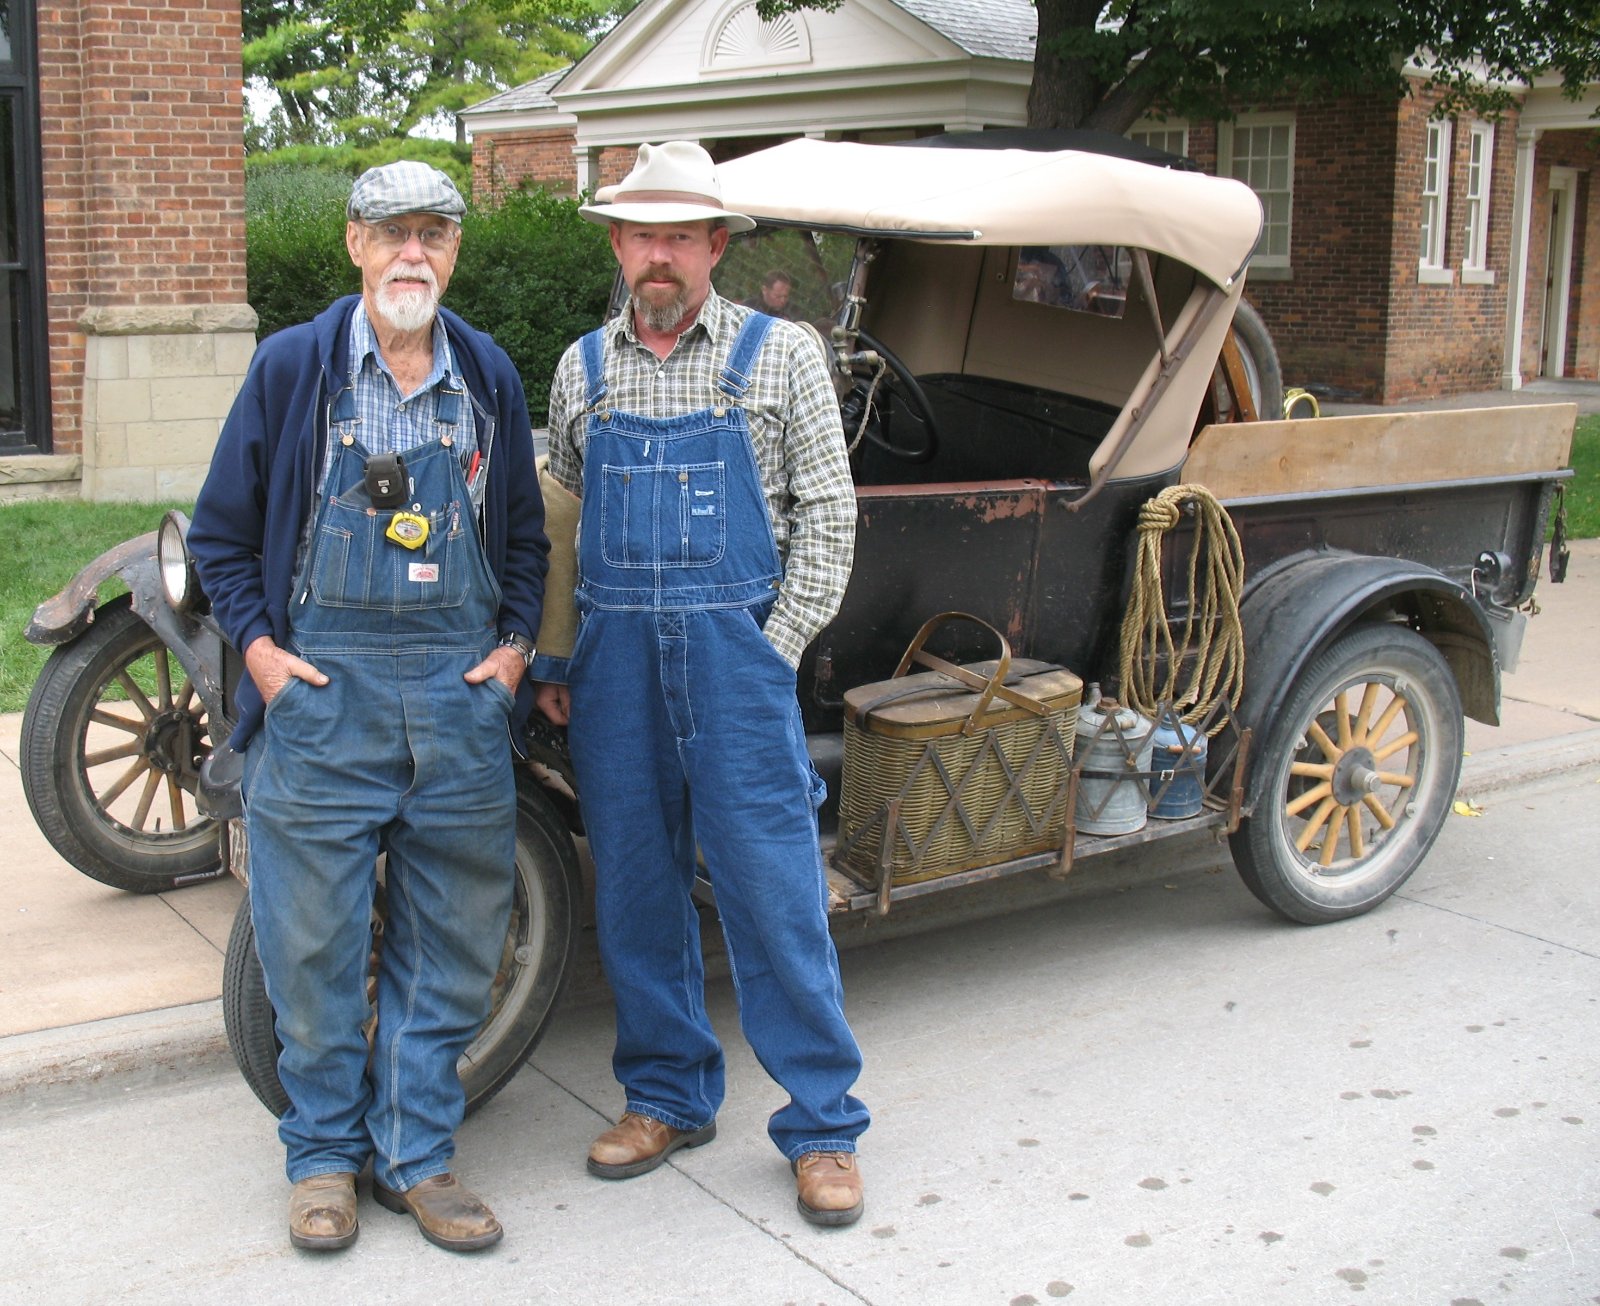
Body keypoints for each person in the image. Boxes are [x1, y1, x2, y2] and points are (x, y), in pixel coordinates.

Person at [187, 161, 548, 1254]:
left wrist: (514, 650)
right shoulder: (292, 370)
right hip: (321, 695)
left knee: (454, 943)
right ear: (354, 244)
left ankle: (418, 1157)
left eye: (434, 233)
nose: (412, 254)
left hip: (456, 697)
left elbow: (523, 539)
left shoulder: (485, 374)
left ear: (455, 251)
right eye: (392, 232)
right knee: (311, 953)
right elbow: (220, 536)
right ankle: (321, 1160)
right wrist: (261, 659)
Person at [533, 141, 869, 1227]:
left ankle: (822, 1124)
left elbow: (830, 512)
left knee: (775, 894)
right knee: (636, 890)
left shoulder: (783, 355)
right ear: (618, 246)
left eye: (680, 235)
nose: (659, 255)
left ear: (717, 246)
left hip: (738, 663)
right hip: (616, 670)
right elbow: (563, 521)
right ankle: (667, 1097)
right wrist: (556, 658)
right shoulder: (582, 368)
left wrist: (776, 647)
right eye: (642, 235)